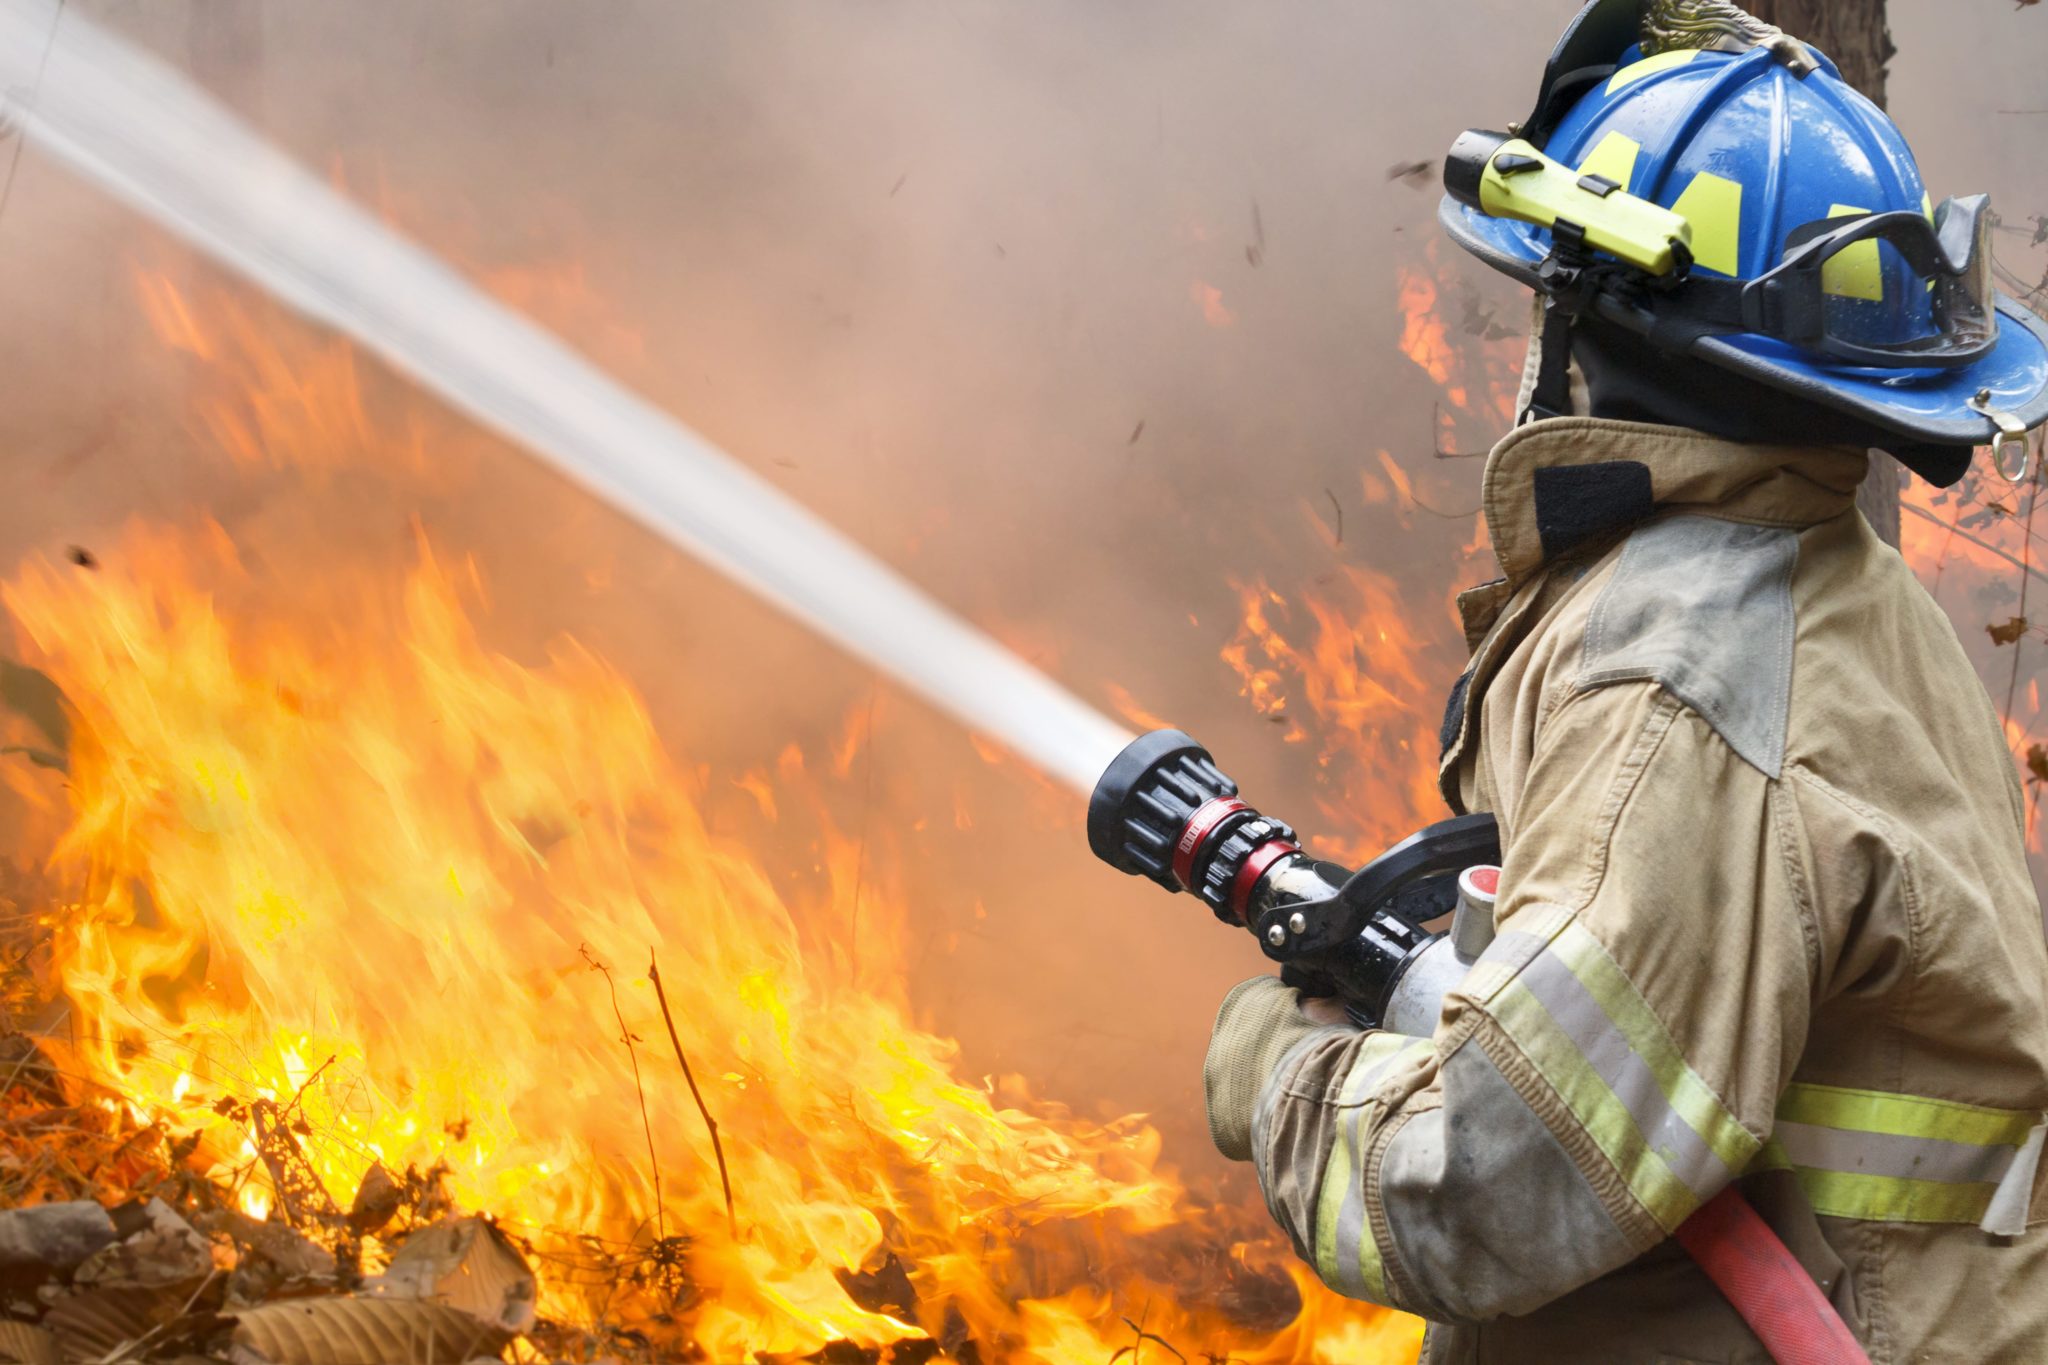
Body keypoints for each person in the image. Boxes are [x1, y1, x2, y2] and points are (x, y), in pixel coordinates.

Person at [1199, 1, 2048, 1359]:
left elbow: (1486, 1185)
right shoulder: (1824, 577)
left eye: (1549, 294)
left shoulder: (1681, 682)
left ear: (1595, 327)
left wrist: (1270, 1066)